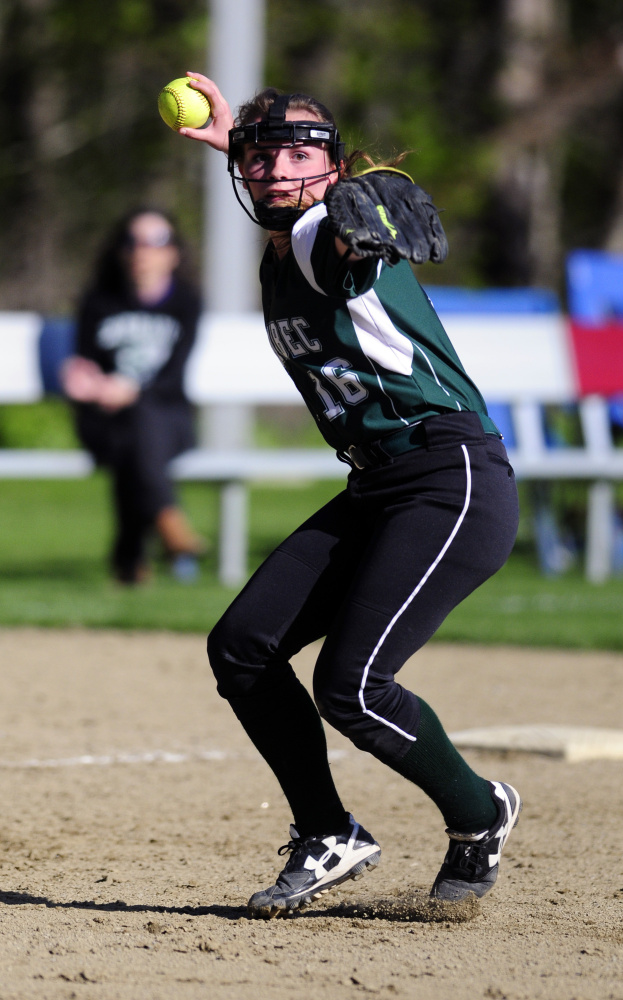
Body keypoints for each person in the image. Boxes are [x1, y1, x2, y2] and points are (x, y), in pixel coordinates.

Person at [178, 71, 522, 918]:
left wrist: (344, 212)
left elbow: (337, 239)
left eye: (299, 155)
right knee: (244, 647)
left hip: (449, 478)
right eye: (259, 160)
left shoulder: (322, 234)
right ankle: (328, 832)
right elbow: (289, 204)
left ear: (332, 171)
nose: (274, 171)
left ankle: (480, 815)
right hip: (376, 484)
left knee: (354, 686)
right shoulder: (276, 247)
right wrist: (250, 147)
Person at [61, 208, 205, 584]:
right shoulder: (99, 301)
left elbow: (174, 375)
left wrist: (131, 390)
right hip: (106, 421)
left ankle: (130, 557)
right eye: (132, 241)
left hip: (168, 419)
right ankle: (168, 521)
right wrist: (85, 380)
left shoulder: (186, 302)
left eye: (155, 241)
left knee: (141, 422)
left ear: (173, 252)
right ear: (120, 251)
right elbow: (85, 363)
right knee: (134, 432)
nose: (142, 251)